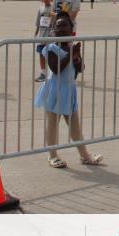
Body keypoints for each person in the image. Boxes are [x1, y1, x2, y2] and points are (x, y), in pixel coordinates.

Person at [35, 14, 103, 169]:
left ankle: (85, 155)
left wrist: (77, 58)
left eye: (64, 26)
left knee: (74, 125)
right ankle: (52, 155)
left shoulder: (72, 47)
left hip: (69, 90)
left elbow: (80, 68)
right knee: (53, 123)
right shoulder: (51, 48)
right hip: (55, 89)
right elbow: (56, 69)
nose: (61, 29)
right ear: (53, 30)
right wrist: (71, 55)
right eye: (58, 26)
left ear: (71, 30)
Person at [35, 0, 53, 82]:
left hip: (51, 35)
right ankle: (43, 73)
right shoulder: (41, 9)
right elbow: (38, 22)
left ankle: (53, 73)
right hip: (42, 35)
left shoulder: (53, 9)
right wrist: (36, 33)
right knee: (41, 54)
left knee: (51, 54)